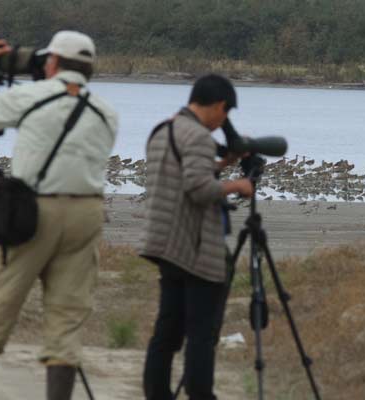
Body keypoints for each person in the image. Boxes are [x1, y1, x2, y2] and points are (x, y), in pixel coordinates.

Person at [0, 31, 117, 400]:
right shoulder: (106, 112)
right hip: (87, 213)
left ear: (52, 62)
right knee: (67, 319)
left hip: (33, 212)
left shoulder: (31, 96)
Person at [139, 74, 253, 400]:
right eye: (226, 114)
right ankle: (201, 394)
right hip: (194, 247)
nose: (224, 122)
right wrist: (238, 185)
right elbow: (198, 188)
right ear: (219, 105)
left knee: (167, 332)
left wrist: (221, 165)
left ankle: (157, 394)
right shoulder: (200, 137)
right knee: (201, 335)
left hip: (164, 242)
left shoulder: (163, 130)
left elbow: (182, 177)